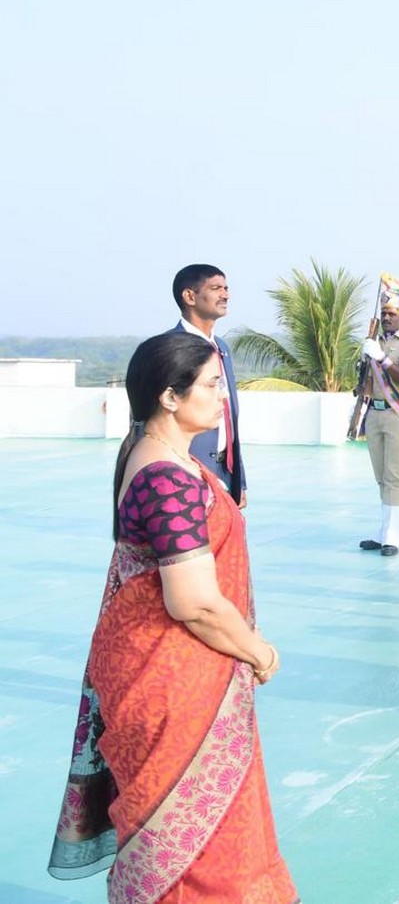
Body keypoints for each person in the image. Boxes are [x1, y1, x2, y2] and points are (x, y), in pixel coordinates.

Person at [49, 333, 297, 901]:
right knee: (195, 853)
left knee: (199, 835)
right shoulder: (166, 477)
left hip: (169, 674)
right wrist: (258, 650)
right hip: (171, 682)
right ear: (168, 396)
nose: (221, 398)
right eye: (211, 386)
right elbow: (193, 601)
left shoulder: (156, 456)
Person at [356, 275, 399, 557]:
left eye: (391, 313)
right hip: (374, 412)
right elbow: (365, 382)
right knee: (380, 475)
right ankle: (384, 529)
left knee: (395, 475)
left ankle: (394, 535)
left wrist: (382, 359)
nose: (386, 317)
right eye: (383, 313)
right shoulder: (375, 341)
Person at [170, 264, 246, 507]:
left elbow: (230, 417)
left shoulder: (221, 348)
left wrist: (239, 482)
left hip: (225, 472)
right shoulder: (173, 349)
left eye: (226, 288)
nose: (225, 295)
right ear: (190, 296)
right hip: (188, 472)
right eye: (215, 288)